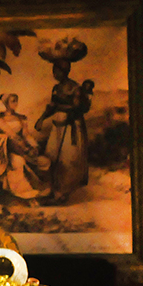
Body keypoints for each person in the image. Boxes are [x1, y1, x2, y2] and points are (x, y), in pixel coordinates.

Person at [35, 61, 92, 202]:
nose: (54, 74)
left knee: (68, 157)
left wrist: (63, 109)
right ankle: (54, 190)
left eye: (57, 71)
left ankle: (63, 193)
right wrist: (41, 119)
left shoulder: (75, 88)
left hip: (71, 125)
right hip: (58, 126)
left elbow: (76, 107)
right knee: (52, 155)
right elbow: (52, 106)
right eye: (53, 71)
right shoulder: (56, 88)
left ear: (64, 71)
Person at [0, 93, 49, 201]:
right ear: (6, 103)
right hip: (7, 151)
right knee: (18, 162)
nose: (16, 103)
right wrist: (5, 137)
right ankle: (26, 193)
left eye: (16, 100)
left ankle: (40, 189)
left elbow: (26, 135)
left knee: (44, 161)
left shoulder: (21, 118)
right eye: (13, 101)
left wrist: (34, 145)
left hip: (22, 147)